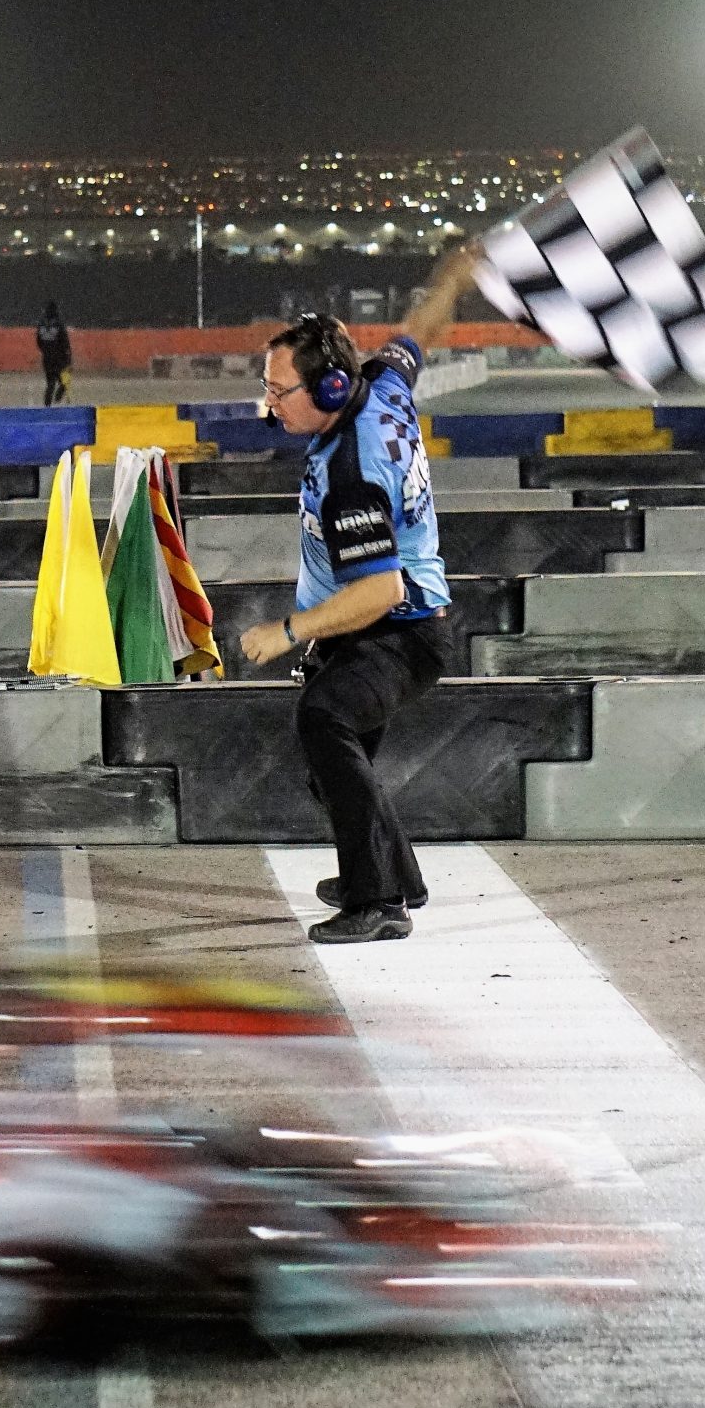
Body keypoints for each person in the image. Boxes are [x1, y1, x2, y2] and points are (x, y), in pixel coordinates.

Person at [238, 249, 477, 944]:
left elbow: (379, 587)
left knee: (326, 720)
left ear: (333, 389)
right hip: (381, 626)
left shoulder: (353, 473)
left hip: (398, 630)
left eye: (281, 392)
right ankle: (393, 873)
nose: (269, 404)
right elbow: (418, 334)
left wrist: (289, 629)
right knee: (333, 762)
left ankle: (378, 904)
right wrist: (454, 280)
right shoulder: (383, 385)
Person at [35, 301, 73, 407]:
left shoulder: (41, 324)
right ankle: (58, 396)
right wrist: (68, 357)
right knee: (64, 381)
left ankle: (47, 407)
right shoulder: (59, 323)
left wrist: (45, 351)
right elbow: (65, 341)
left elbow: (38, 341)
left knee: (50, 383)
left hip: (47, 358)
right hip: (59, 358)